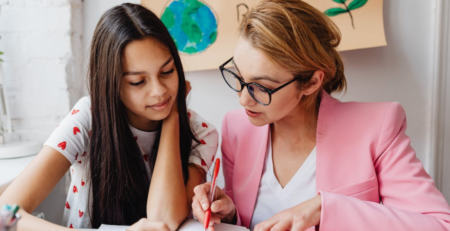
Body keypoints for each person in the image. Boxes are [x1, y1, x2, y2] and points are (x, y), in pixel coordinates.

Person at [191, 0, 450, 230]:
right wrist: (228, 213)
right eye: (239, 77)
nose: (243, 98)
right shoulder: (237, 127)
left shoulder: (377, 127)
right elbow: (246, 222)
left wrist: (324, 209)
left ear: (312, 82)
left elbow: (439, 224)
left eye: (262, 87)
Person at [0, 3, 218, 231]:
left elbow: (164, 218)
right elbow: (4, 215)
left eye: (167, 72)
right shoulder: (88, 118)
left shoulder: (201, 132)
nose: (159, 91)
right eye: (138, 82)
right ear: (111, 84)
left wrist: (173, 115)